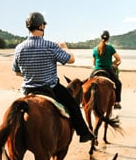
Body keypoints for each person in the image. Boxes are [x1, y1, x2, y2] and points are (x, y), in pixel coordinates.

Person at [12, 12, 94, 142]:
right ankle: (83, 133)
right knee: (72, 105)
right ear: (41, 26)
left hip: (28, 90)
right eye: (44, 25)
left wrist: (31, 73)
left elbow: (17, 72)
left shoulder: (19, 48)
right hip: (50, 88)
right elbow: (71, 59)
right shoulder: (50, 46)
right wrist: (65, 48)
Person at [91, 30, 122, 108]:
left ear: (101, 37)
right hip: (108, 70)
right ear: (108, 38)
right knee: (118, 84)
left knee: (87, 83)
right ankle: (117, 103)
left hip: (96, 69)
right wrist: (111, 63)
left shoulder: (95, 49)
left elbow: (94, 63)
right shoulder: (110, 48)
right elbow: (118, 59)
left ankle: (83, 100)